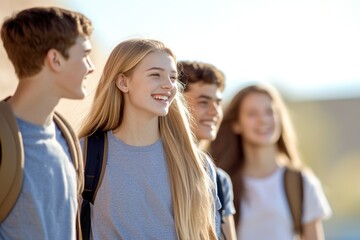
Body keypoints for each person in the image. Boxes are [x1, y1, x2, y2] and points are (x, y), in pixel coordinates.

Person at [78, 38, 218, 240]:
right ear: (123, 82)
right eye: (155, 75)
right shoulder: (84, 154)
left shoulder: (196, 165)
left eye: (172, 77)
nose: (168, 85)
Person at [0, 7, 94, 239]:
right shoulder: (3, 140)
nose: (91, 67)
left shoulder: (67, 137)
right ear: (55, 59)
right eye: (84, 55)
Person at [209, 84, 332, 240]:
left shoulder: (301, 182)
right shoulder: (221, 183)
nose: (263, 120)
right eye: (252, 114)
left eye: (269, 112)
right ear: (237, 124)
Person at [178, 61, 237, 240]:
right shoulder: (155, 166)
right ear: (176, 103)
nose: (215, 112)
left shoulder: (220, 181)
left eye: (218, 103)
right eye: (204, 102)